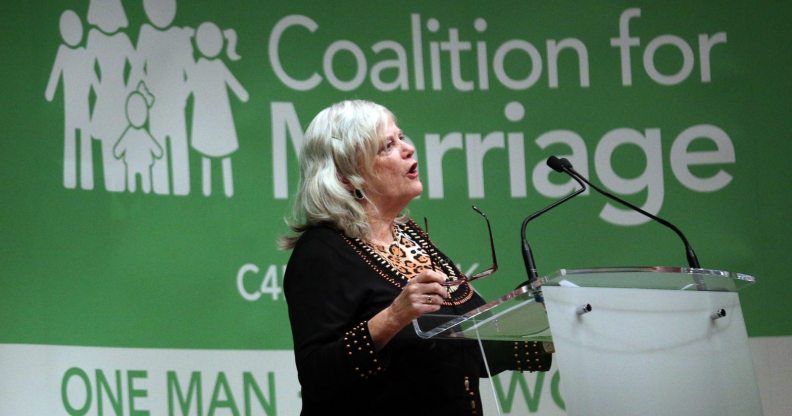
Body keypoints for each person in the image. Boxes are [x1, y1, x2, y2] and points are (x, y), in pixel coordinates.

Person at [281, 100, 552, 415]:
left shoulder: (410, 236)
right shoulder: (322, 251)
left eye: (401, 137)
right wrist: (393, 317)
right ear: (346, 178)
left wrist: (547, 327)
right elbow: (317, 376)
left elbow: (468, 346)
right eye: (387, 146)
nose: (408, 149)